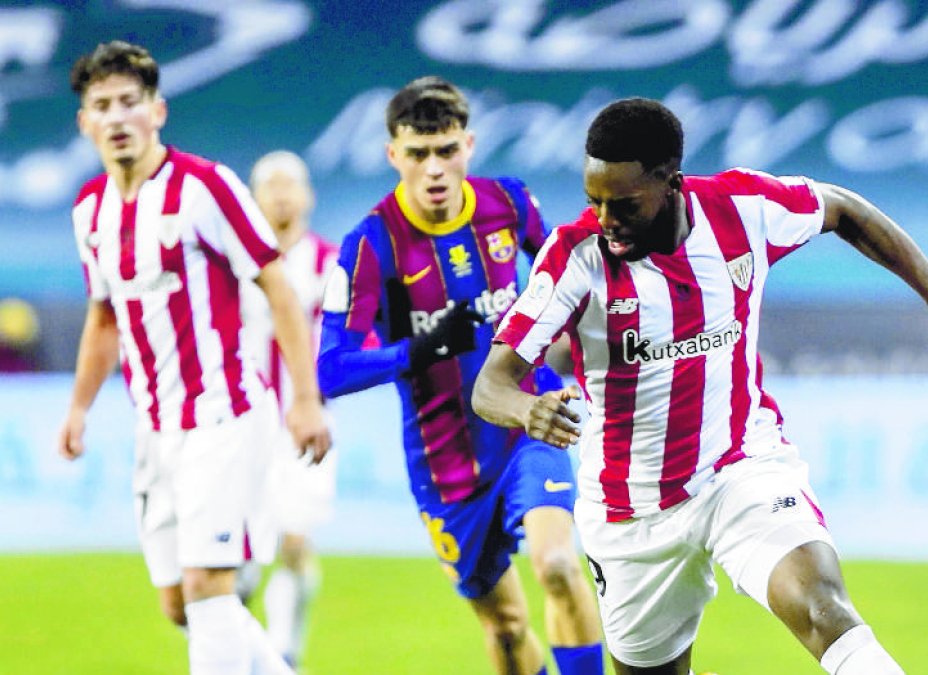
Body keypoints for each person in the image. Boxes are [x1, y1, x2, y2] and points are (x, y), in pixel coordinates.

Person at [472, 97, 928, 675]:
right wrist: (526, 409)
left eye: (625, 204)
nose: (607, 221)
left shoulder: (743, 209)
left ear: (671, 183)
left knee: (824, 609)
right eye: (596, 202)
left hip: (740, 467)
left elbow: (844, 208)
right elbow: (491, 385)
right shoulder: (574, 257)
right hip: (629, 509)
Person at [58, 40, 330, 674]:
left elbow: (277, 285)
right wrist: (78, 408)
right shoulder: (90, 211)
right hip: (155, 427)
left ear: (158, 111)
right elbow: (104, 317)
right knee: (181, 602)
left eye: (131, 101)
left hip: (225, 414)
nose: (118, 116)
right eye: (103, 105)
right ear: (85, 122)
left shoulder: (206, 188)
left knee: (211, 587)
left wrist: (305, 399)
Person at [316, 76, 604, 675]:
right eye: (418, 154)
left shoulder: (510, 203)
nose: (435, 169)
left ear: (468, 145)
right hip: (446, 463)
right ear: (393, 155)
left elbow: (576, 288)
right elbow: (329, 369)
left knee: (557, 565)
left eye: (446, 150)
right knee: (507, 627)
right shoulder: (369, 246)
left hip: (529, 420)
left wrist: (580, 368)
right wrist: (418, 349)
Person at [239, 150, 340, 666]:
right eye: (269, 184)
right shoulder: (236, 262)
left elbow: (348, 338)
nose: (280, 193)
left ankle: (286, 651)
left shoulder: (330, 261)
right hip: (241, 424)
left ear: (307, 195)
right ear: (254, 198)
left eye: (289, 184)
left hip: (306, 423)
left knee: (295, 541)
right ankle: (245, 646)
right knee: (242, 557)